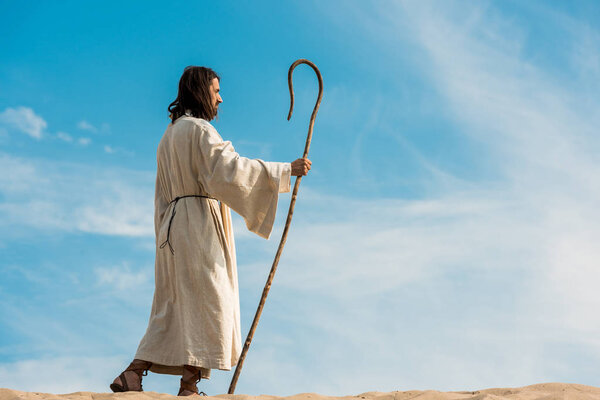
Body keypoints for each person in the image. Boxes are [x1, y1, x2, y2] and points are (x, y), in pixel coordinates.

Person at [110, 66, 311, 396]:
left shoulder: (169, 136)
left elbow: (162, 193)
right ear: (201, 92)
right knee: (210, 300)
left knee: (178, 305)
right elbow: (229, 170)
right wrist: (284, 171)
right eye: (216, 90)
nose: (221, 98)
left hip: (172, 228)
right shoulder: (199, 131)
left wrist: (164, 231)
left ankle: (149, 377)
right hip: (198, 227)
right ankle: (181, 385)